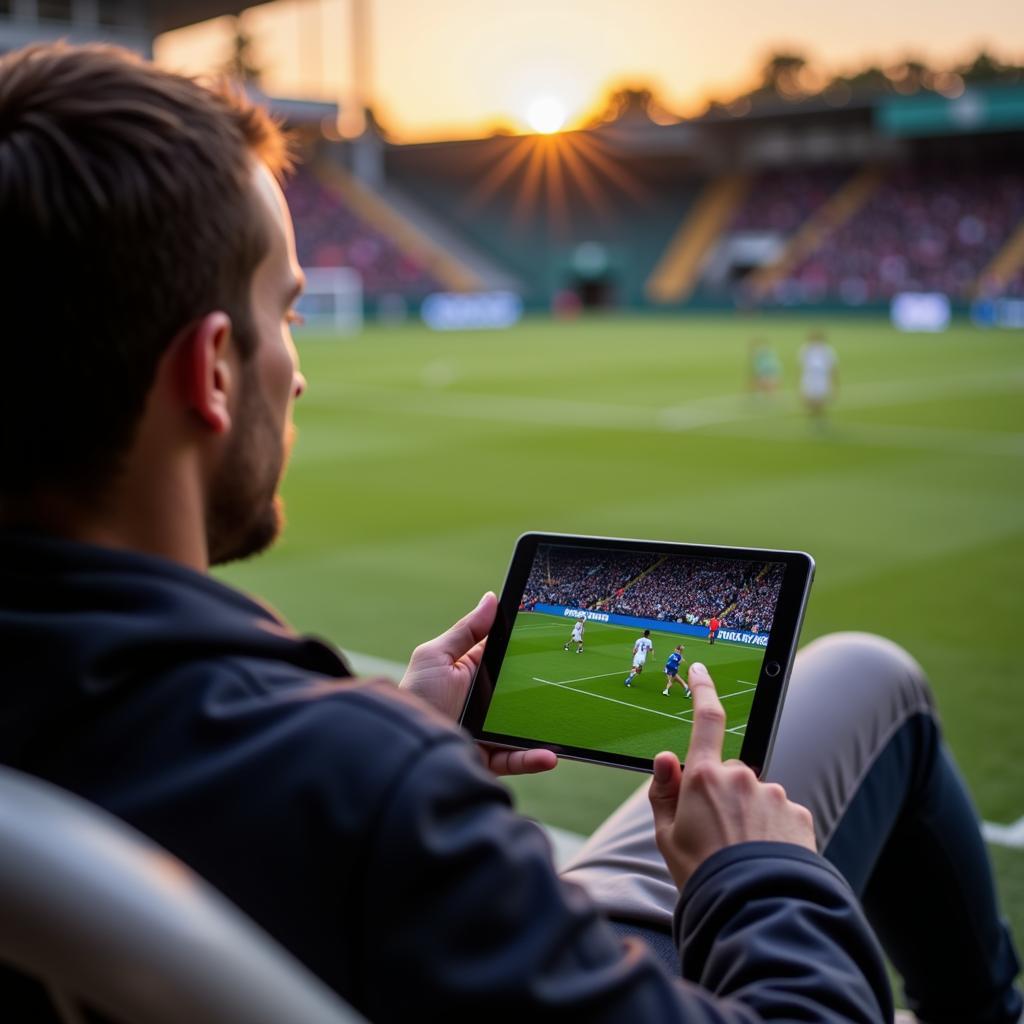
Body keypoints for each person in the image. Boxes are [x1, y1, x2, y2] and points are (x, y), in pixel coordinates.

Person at [0, 44, 1020, 1024]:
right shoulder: (362, 795)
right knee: (872, 679)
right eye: (291, 314)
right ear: (214, 370)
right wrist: (751, 871)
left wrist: (403, 734)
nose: (299, 371)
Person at [799, 330, 838, 425]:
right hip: (809, 378)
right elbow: (801, 366)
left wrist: (834, 383)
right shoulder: (806, 349)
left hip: (821, 378)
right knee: (808, 401)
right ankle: (814, 419)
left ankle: (819, 419)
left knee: (820, 401)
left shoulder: (827, 350)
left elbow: (832, 367)